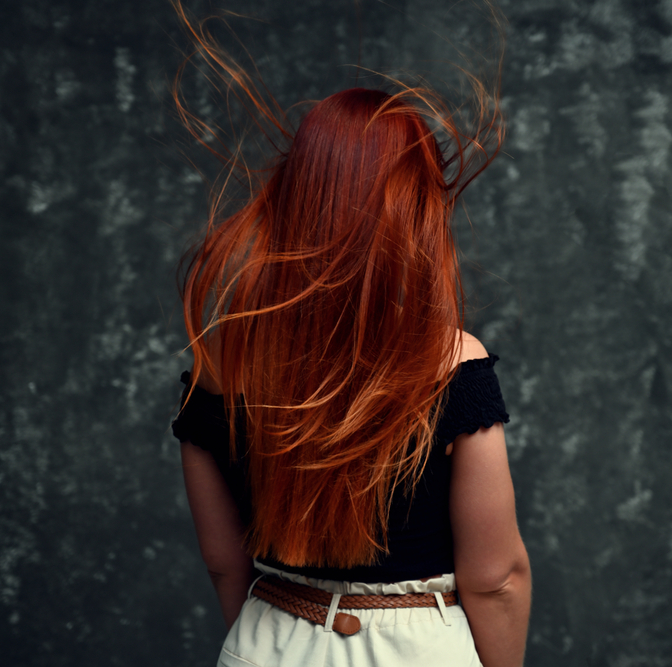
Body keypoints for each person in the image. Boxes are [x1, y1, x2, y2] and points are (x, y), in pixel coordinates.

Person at [171, 7, 530, 667]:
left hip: (268, 639)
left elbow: (224, 562)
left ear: (295, 197)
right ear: (413, 217)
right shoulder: (453, 365)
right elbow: (496, 575)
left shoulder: (219, 367)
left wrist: (278, 634)